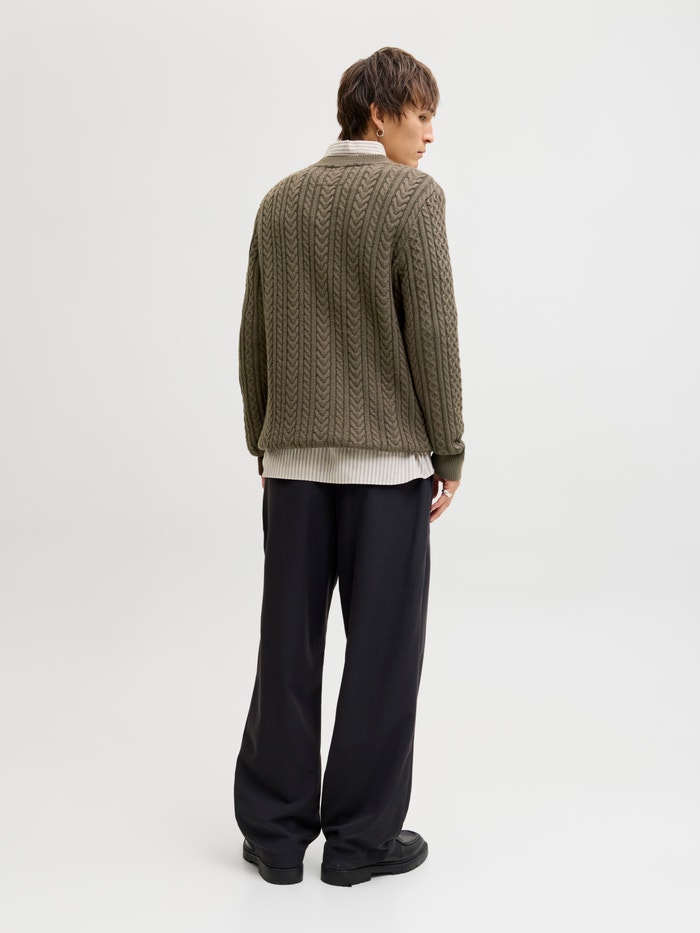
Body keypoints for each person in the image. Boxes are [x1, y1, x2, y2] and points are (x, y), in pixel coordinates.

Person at [234, 46, 465, 887]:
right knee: (382, 655)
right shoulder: (413, 198)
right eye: (422, 115)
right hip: (387, 469)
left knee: (285, 649)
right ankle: (360, 842)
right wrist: (449, 450)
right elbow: (432, 333)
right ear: (379, 112)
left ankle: (275, 836)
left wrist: (265, 441)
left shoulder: (280, 201)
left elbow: (253, 338)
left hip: (292, 463)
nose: (430, 134)